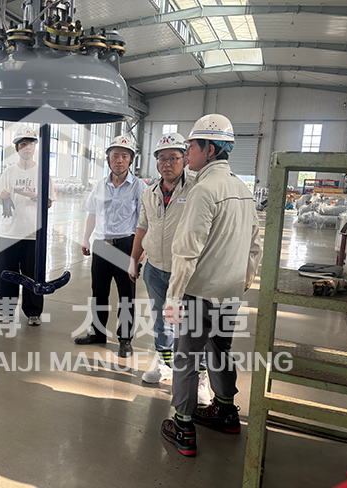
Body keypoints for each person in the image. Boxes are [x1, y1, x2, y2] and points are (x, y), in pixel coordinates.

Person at [160, 114, 262, 457]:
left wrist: (173, 298)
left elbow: (186, 251)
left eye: (192, 146)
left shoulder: (203, 190)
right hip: (229, 295)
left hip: (199, 294)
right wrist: (242, 283)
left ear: (211, 149)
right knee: (220, 350)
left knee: (186, 359)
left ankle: (183, 426)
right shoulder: (242, 190)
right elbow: (254, 246)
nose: (187, 151)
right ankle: (226, 411)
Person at [128, 132, 210, 406]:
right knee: (161, 321)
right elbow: (142, 227)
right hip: (155, 268)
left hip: (186, 271)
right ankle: (165, 364)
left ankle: (200, 378)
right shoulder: (150, 192)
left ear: (184, 159)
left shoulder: (197, 188)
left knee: (191, 326)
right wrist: (134, 259)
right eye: (162, 159)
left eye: (173, 158)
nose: (167, 164)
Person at [75, 134, 147, 357]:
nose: (119, 160)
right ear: (108, 159)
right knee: (99, 292)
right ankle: (97, 332)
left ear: (130, 159)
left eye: (124, 156)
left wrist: (140, 251)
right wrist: (86, 239)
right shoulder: (99, 186)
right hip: (101, 245)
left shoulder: (139, 187)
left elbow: (144, 222)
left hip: (126, 245)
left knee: (126, 295)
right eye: (115, 156)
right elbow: (92, 213)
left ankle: (125, 339)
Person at [0, 125, 56, 326]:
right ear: (17, 148)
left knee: (33, 273)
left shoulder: (43, 172)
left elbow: (49, 202)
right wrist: (2, 196)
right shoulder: (9, 171)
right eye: (23, 144)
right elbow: (0, 197)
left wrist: (34, 195)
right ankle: (5, 311)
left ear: (35, 147)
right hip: (9, 232)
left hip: (33, 233)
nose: (27, 148)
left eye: (31, 144)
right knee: (6, 274)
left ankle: (33, 312)